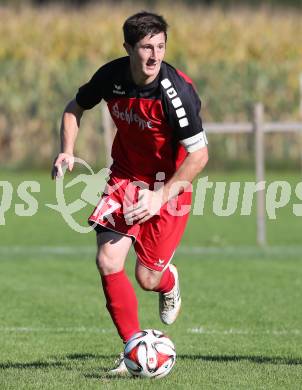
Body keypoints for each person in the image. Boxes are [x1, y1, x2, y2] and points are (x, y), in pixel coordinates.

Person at [52, 11, 208, 374]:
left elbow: (199, 156)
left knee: (147, 278)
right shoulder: (112, 76)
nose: (154, 56)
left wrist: (160, 196)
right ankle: (133, 349)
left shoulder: (177, 93)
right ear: (128, 48)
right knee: (108, 260)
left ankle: (168, 280)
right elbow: (75, 107)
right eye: (145, 47)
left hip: (170, 185)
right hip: (125, 177)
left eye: (161, 47)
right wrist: (67, 149)